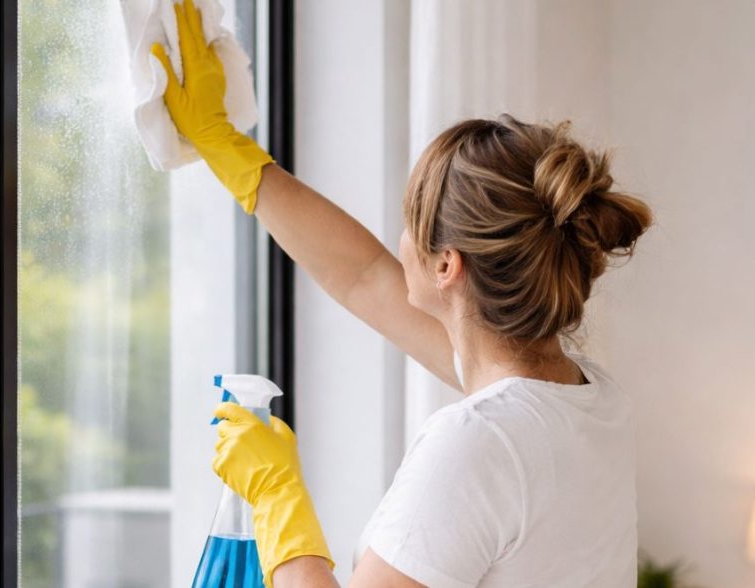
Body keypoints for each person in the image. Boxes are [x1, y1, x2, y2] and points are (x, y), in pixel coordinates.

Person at [152, 1, 653, 586]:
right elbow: (362, 275)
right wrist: (227, 147)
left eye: (411, 219)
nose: (398, 240)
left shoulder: (481, 444)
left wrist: (276, 495)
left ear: (447, 264)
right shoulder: (587, 400)